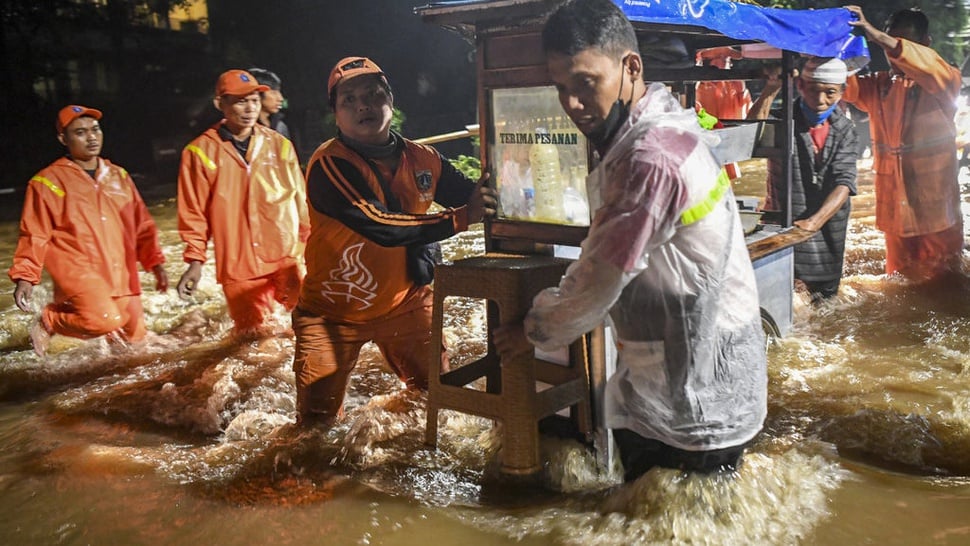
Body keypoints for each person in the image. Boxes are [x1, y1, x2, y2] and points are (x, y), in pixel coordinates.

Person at [494, 0, 766, 481]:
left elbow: (597, 284)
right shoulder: (651, 130)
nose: (573, 104)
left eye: (585, 83)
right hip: (686, 377)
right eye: (561, 88)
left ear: (630, 67)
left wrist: (530, 331)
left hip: (692, 395)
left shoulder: (650, 158)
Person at [292, 56, 497, 426]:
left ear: (391, 99)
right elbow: (381, 225)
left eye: (373, 94)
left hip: (406, 303)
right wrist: (461, 217)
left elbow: (476, 198)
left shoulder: (425, 158)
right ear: (335, 114)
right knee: (314, 430)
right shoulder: (328, 165)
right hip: (332, 314)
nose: (363, 105)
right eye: (349, 99)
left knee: (435, 403)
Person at [9, 105, 168, 356]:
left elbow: (142, 223)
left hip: (121, 271)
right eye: (80, 132)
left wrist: (154, 262)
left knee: (134, 350)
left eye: (95, 130)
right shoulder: (47, 182)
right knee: (102, 320)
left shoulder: (119, 176)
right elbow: (35, 232)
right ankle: (50, 319)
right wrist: (25, 276)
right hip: (78, 270)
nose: (92, 137)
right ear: (63, 138)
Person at [176, 69, 309, 336]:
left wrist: (311, 244)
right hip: (239, 266)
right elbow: (193, 212)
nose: (250, 108)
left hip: (286, 255)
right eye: (240, 101)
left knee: (306, 328)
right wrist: (195, 261)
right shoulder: (198, 152)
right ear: (220, 104)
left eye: (254, 101)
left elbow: (300, 198)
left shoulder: (280, 145)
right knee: (255, 340)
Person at [843, 6, 964, 281]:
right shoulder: (880, 86)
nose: (894, 53)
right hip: (895, 216)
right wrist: (838, 44)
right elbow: (844, 87)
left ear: (925, 45)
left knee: (945, 288)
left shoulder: (946, 80)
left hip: (937, 217)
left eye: (904, 44)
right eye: (891, 42)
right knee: (898, 288)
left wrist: (876, 35)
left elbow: (928, 65)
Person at [757, 57, 859, 304]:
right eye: (814, 90)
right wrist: (770, 90)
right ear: (801, 86)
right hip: (786, 220)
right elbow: (755, 137)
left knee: (824, 303)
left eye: (830, 92)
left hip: (827, 225)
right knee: (780, 295)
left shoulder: (845, 129)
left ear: (842, 92)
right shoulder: (784, 120)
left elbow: (844, 182)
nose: (821, 100)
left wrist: (814, 222)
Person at [247, 67, 292, 140]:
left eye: (279, 92)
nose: (280, 98)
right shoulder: (244, 127)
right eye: (273, 93)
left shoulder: (280, 127)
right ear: (257, 94)